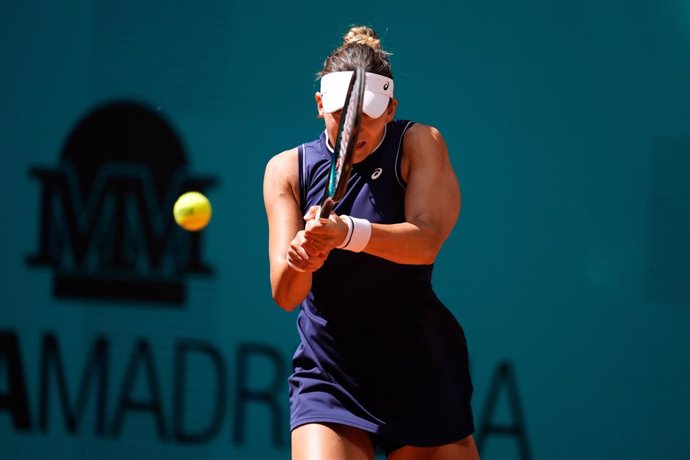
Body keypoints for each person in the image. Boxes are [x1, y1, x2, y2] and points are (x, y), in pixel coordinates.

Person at [263, 25, 479, 460]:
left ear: (391, 109)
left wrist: (345, 233)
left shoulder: (419, 143)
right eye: (342, 114)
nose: (354, 129)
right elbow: (286, 295)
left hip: (417, 369)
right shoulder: (287, 170)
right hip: (331, 372)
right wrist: (304, 258)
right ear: (320, 103)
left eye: (369, 114)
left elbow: (426, 242)